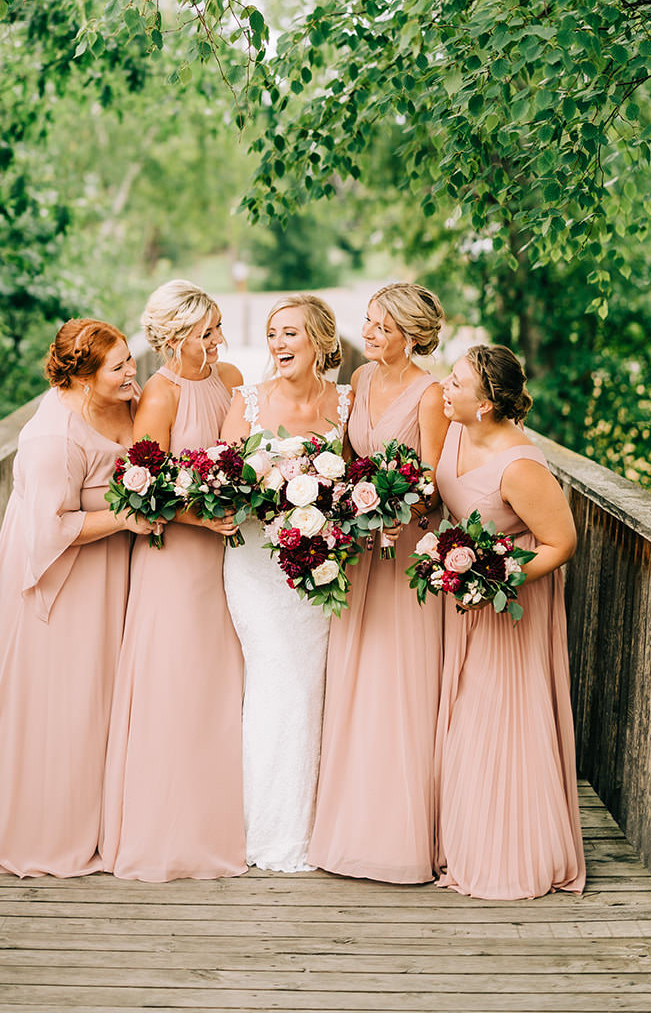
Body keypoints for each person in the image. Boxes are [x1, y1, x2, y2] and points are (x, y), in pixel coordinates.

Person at [0, 319, 156, 876]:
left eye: (131, 359)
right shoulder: (53, 438)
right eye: (120, 365)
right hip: (66, 579)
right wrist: (127, 517)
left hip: (111, 569)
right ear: (82, 377)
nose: (133, 372)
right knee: (69, 697)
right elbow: (48, 530)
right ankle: (47, 828)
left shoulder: (126, 402)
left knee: (105, 695)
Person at [100, 282, 246, 881]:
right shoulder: (158, 397)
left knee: (222, 681)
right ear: (177, 337)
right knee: (176, 682)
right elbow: (141, 490)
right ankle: (171, 829)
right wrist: (200, 515)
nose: (220, 341)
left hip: (228, 559)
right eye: (208, 332)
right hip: (175, 561)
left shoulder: (232, 378)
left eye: (218, 328)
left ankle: (227, 817)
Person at [433, 344, 585, 898]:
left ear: (485, 406)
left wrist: (496, 580)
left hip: (509, 603)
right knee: (462, 716)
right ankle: (461, 835)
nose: (444, 388)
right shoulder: (455, 433)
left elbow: (562, 543)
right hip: (462, 595)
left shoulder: (519, 466)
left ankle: (508, 851)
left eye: (456, 383)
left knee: (498, 720)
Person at [309, 282, 449, 883]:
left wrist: (394, 509)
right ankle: (349, 826)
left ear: (412, 337)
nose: (367, 334)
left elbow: (439, 484)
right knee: (355, 678)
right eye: (367, 321)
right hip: (359, 554)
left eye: (381, 327)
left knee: (398, 682)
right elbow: (341, 456)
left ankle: (401, 838)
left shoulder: (432, 394)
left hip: (404, 557)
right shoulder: (361, 381)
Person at [219, 293, 351, 873]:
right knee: (276, 684)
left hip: (317, 568)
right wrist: (257, 492)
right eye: (272, 333)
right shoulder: (245, 401)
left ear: (321, 341)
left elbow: (353, 483)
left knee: (310, 686)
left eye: (290, 333)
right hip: (253, 564)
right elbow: (221, 475)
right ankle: (265, 833)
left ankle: (315, 826)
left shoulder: (346, 403)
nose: (277, 344)